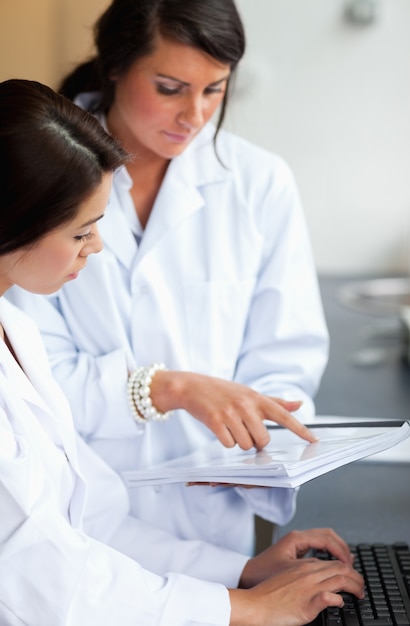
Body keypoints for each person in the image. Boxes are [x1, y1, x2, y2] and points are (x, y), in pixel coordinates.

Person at [0, 77, 364, 626]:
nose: (97, 247)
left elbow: (94, 519)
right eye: (82, 233)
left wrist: (241, 572)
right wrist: (246, 609)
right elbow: (46, 581)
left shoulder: (14, 331)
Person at [8, 0, 329, 557]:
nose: (195, 116)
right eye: (169, 87)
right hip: (71, 506)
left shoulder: (259, 183)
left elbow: (285, 358)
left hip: (210, 509)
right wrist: (165, 388)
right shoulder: (41, 172)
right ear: (114, 67)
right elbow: (33, 376)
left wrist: (258, 449)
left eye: (215, 89)